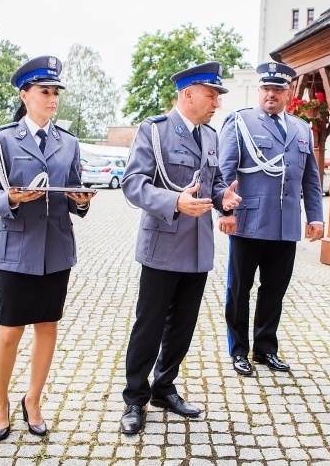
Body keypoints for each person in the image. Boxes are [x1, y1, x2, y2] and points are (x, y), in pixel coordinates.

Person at [119, 61, 241, 435]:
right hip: (162, 244)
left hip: (198, 248)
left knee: (183, 327)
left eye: (218, 97)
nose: (216, 104)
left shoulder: (212, 137)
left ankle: (164, 387)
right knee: (149, 325)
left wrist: (224, 198)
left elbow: (214, 184)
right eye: (211, 95)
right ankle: (135, 399)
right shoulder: (153, 131)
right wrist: (174, 202)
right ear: (188, 94)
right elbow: (132, 184)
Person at [0, 56, 95, 441]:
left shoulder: (69, 143)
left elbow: (74, 193)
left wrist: (82, 200)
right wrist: (11, 199)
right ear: (25, 95)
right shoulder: (2, 140)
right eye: (44, 91)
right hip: (16, 248)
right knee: (9, 331)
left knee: (47, 327)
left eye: (55, 92)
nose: (52, 98)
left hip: (56, 250)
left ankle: (33, 400)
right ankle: (0, 403)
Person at [218, 61, 324, 377]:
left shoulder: (302, 128)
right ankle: (239, 351)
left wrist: (315, 217)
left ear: (287, 93)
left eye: (277, 89)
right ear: (259, 90)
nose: (270, 95)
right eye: (266, 88)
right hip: (248, 222)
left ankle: (265, 348)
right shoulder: (240, 122)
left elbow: (311, 179)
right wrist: (226, 212)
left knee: (274, 290)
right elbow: (225, 171)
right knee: (239, 290)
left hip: (285, 225)